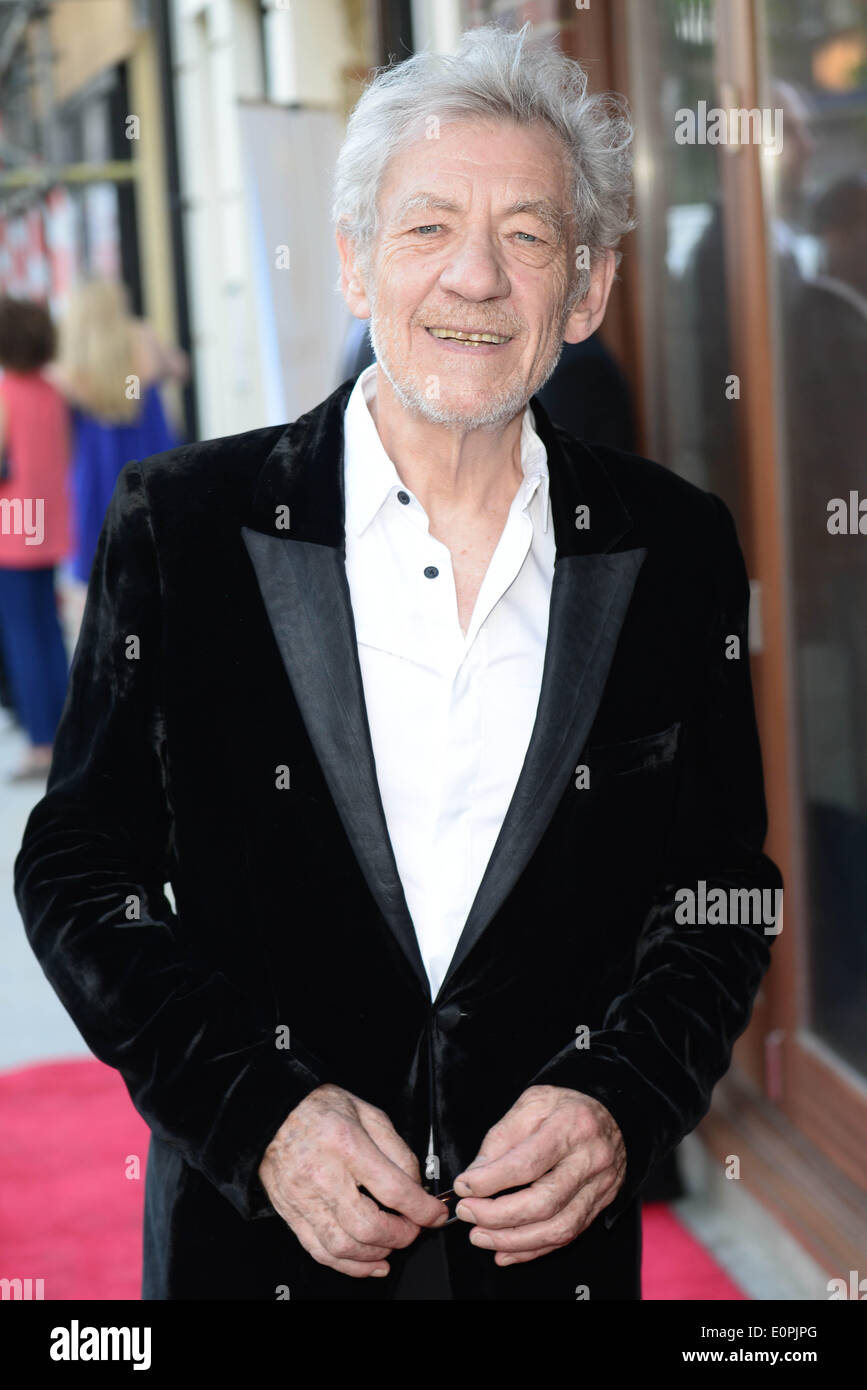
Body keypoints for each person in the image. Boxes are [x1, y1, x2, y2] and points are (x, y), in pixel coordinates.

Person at [15, 26, 781, 1301]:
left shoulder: (675, 549)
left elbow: (723, 890)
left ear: (585, 292)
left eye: (529, 236)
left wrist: (621, 1099)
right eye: (427, 227)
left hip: (548, 1269)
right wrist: (258, 1114)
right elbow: (79, 869)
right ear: (356, 265)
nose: (475, 276)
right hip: (257, 1255)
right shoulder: (187, 525)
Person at [53, 278, 187, 584]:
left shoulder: (72, 359)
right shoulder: (142, 337)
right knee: (159, 555)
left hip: (97, 472)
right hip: (150, 458)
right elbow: (180, 368)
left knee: (106, 568)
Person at [0, 296, 71, 781]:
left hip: (11, 530)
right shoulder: (52, 391)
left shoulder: (6, 392)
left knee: (22, 636)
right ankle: (66, 731)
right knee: (48, 631)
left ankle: (42, 743)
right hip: (47, 523)